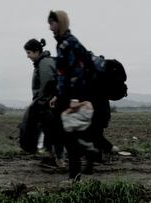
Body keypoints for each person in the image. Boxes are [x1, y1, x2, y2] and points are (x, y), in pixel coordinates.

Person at [47, 10, 100, 180]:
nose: (50, 28)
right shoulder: (70, 41)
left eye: (52, 23)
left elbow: (71, 72)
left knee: (66, 135)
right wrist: (58, 94)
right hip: (70, 94)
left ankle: (79, 166)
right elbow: (67, 73)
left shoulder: (66, 44)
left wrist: (73, 99)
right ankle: (78, 167)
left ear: (60, 23)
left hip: (72, 95)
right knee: (68, 133)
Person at [23, 38, 66, 168]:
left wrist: (39, 103)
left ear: (37, 52)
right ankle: (50, 156)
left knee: (54, 131)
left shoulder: (44, 64)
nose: (28, 56)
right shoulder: (42, 62)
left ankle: (59, 159)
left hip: (48, 104)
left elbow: (48, 84)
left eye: (29, 52)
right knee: (49, 130)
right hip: (47, 103)